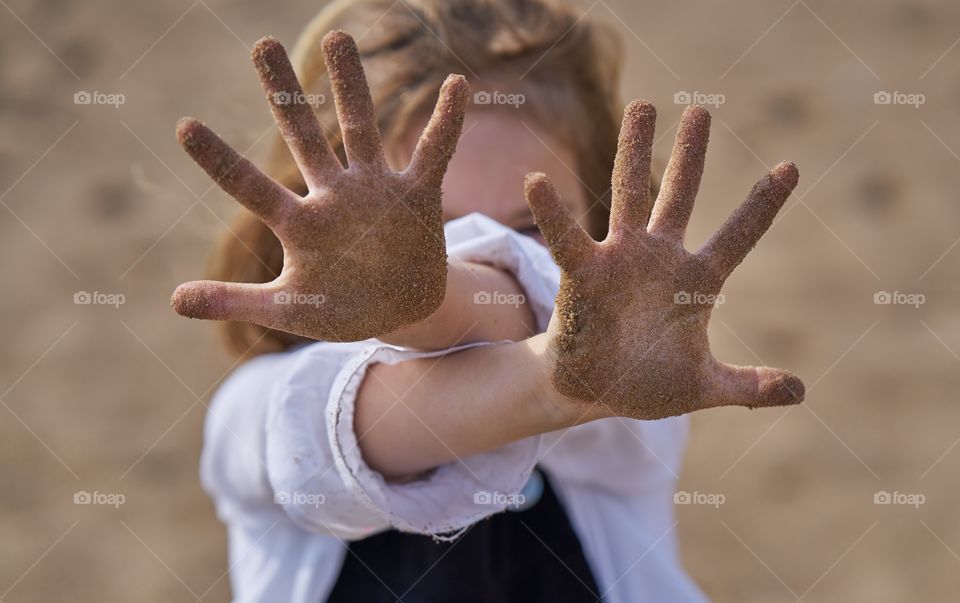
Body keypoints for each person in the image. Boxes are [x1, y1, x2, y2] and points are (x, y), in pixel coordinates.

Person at [172, 1, 803, 600]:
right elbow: (369, 425)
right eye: (426, 225)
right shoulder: (253, 415)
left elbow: (525, 311)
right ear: (310, 219)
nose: (476, 252)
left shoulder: (630, 409)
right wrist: (547, 378)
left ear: (606, 220)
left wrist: (431, 303)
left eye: (534, 227)